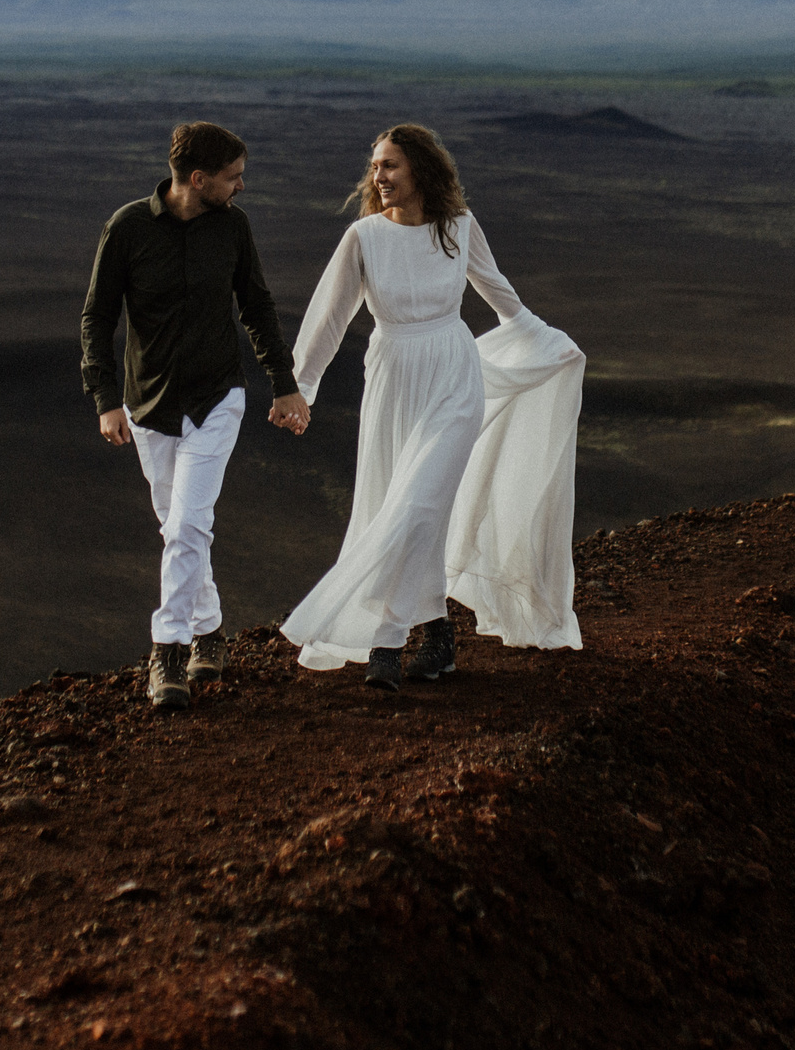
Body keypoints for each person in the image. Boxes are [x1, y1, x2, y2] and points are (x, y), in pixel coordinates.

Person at [280, 124, 585, 689]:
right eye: (375, 167)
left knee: (418, 505)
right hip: (393, 378)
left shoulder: (459, 228)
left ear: (421, 169)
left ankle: (385, 645)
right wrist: (301, 387)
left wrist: (552, 345)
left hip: (452, 373)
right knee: (388, 505)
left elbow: (502, 297)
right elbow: (329, 317)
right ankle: (439, 638)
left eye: (390, 165)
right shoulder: (364, 238)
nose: (379, 176)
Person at [82, 121, 311, 711]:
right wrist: (106, 398)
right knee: (177, 527)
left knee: (187, 526)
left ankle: (168, 653)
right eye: (233, 178)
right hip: (148, 406)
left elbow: (256, 305)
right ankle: (210, 630)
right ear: (198, 179)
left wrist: (284, 386)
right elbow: (97, 318)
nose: (241, 188)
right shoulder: (128, 228)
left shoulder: (233, 228)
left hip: (217, 400)